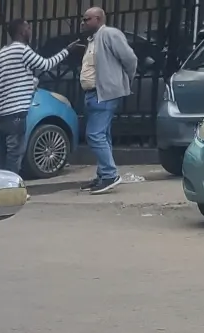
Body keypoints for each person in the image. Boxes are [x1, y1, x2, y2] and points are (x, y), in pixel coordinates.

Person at [0, 19, 79, 174]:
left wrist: (24, 82)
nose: (30, 31)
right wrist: (67, 50)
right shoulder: (22, 50)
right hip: (17, 113)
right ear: (22, 32)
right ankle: (12, 188)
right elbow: (46, 64)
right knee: (14, 154)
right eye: (28, 28)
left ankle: (0, 187)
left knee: (3, 154)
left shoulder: (2, 52)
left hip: (2, 114)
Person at [78, 6, 140, 193]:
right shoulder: (93, 40)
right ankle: (103, 174)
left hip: (104, 93)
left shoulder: (110, 34)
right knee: (103, 135)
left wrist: (122, 81)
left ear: (98, 19)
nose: (83, 22)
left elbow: (130, 59)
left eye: (87, 19)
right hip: (93, 93)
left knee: (94, 135)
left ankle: (110, 174)